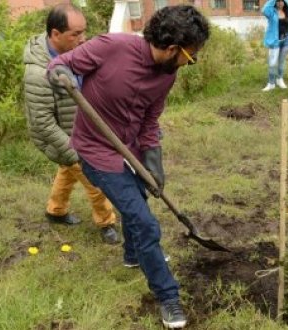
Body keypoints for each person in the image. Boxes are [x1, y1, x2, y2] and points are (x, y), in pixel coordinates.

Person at [47, 5, 210, 329]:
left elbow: (150, 121)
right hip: (96, 152)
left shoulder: (167, 76)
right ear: (172, 48)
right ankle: (168, 296)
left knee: (140, 198)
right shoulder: (112, 47)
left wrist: (153, 163)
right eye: (189, 57)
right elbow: (59, 64)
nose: (188, 64)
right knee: (144, 222)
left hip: (131, 150)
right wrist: (60, 75)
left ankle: (133, 256)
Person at [23, 4, 119, 244]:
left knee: (67, 172)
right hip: (62, 138)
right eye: (75, 34)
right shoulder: (38, 74)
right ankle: (106, 222)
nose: (83, 39)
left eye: (83, 32)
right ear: (55, 34)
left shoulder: (77, 53)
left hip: (81, 131)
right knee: (95, 179)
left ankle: (55, 210)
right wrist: (74, 149)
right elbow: (43, 123)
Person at [261, 0, 288, 92]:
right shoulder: (271, 12)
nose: (280, 3)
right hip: (275, 41)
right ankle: (271, 83)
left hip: (286, 40)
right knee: (272, 63)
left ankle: (279, 79)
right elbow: (264, 10)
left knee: (281, 62)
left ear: (285, 2)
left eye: (282, 1)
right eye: (278, 1)